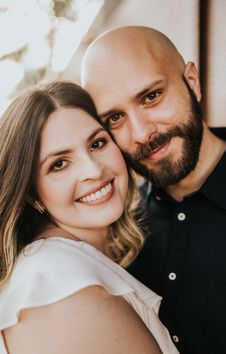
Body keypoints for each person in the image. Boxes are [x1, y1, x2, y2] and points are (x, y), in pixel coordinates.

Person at [80, 26, 226, 354]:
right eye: (115, 118)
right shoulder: (120, 229)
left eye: (151, 96)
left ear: (191, 82)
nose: (141, 133)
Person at [0, 81, 179, 354]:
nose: (93, 170)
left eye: (97, 143)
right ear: (30, 195)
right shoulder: (58, 287)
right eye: (59, 164)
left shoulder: (78, 263)